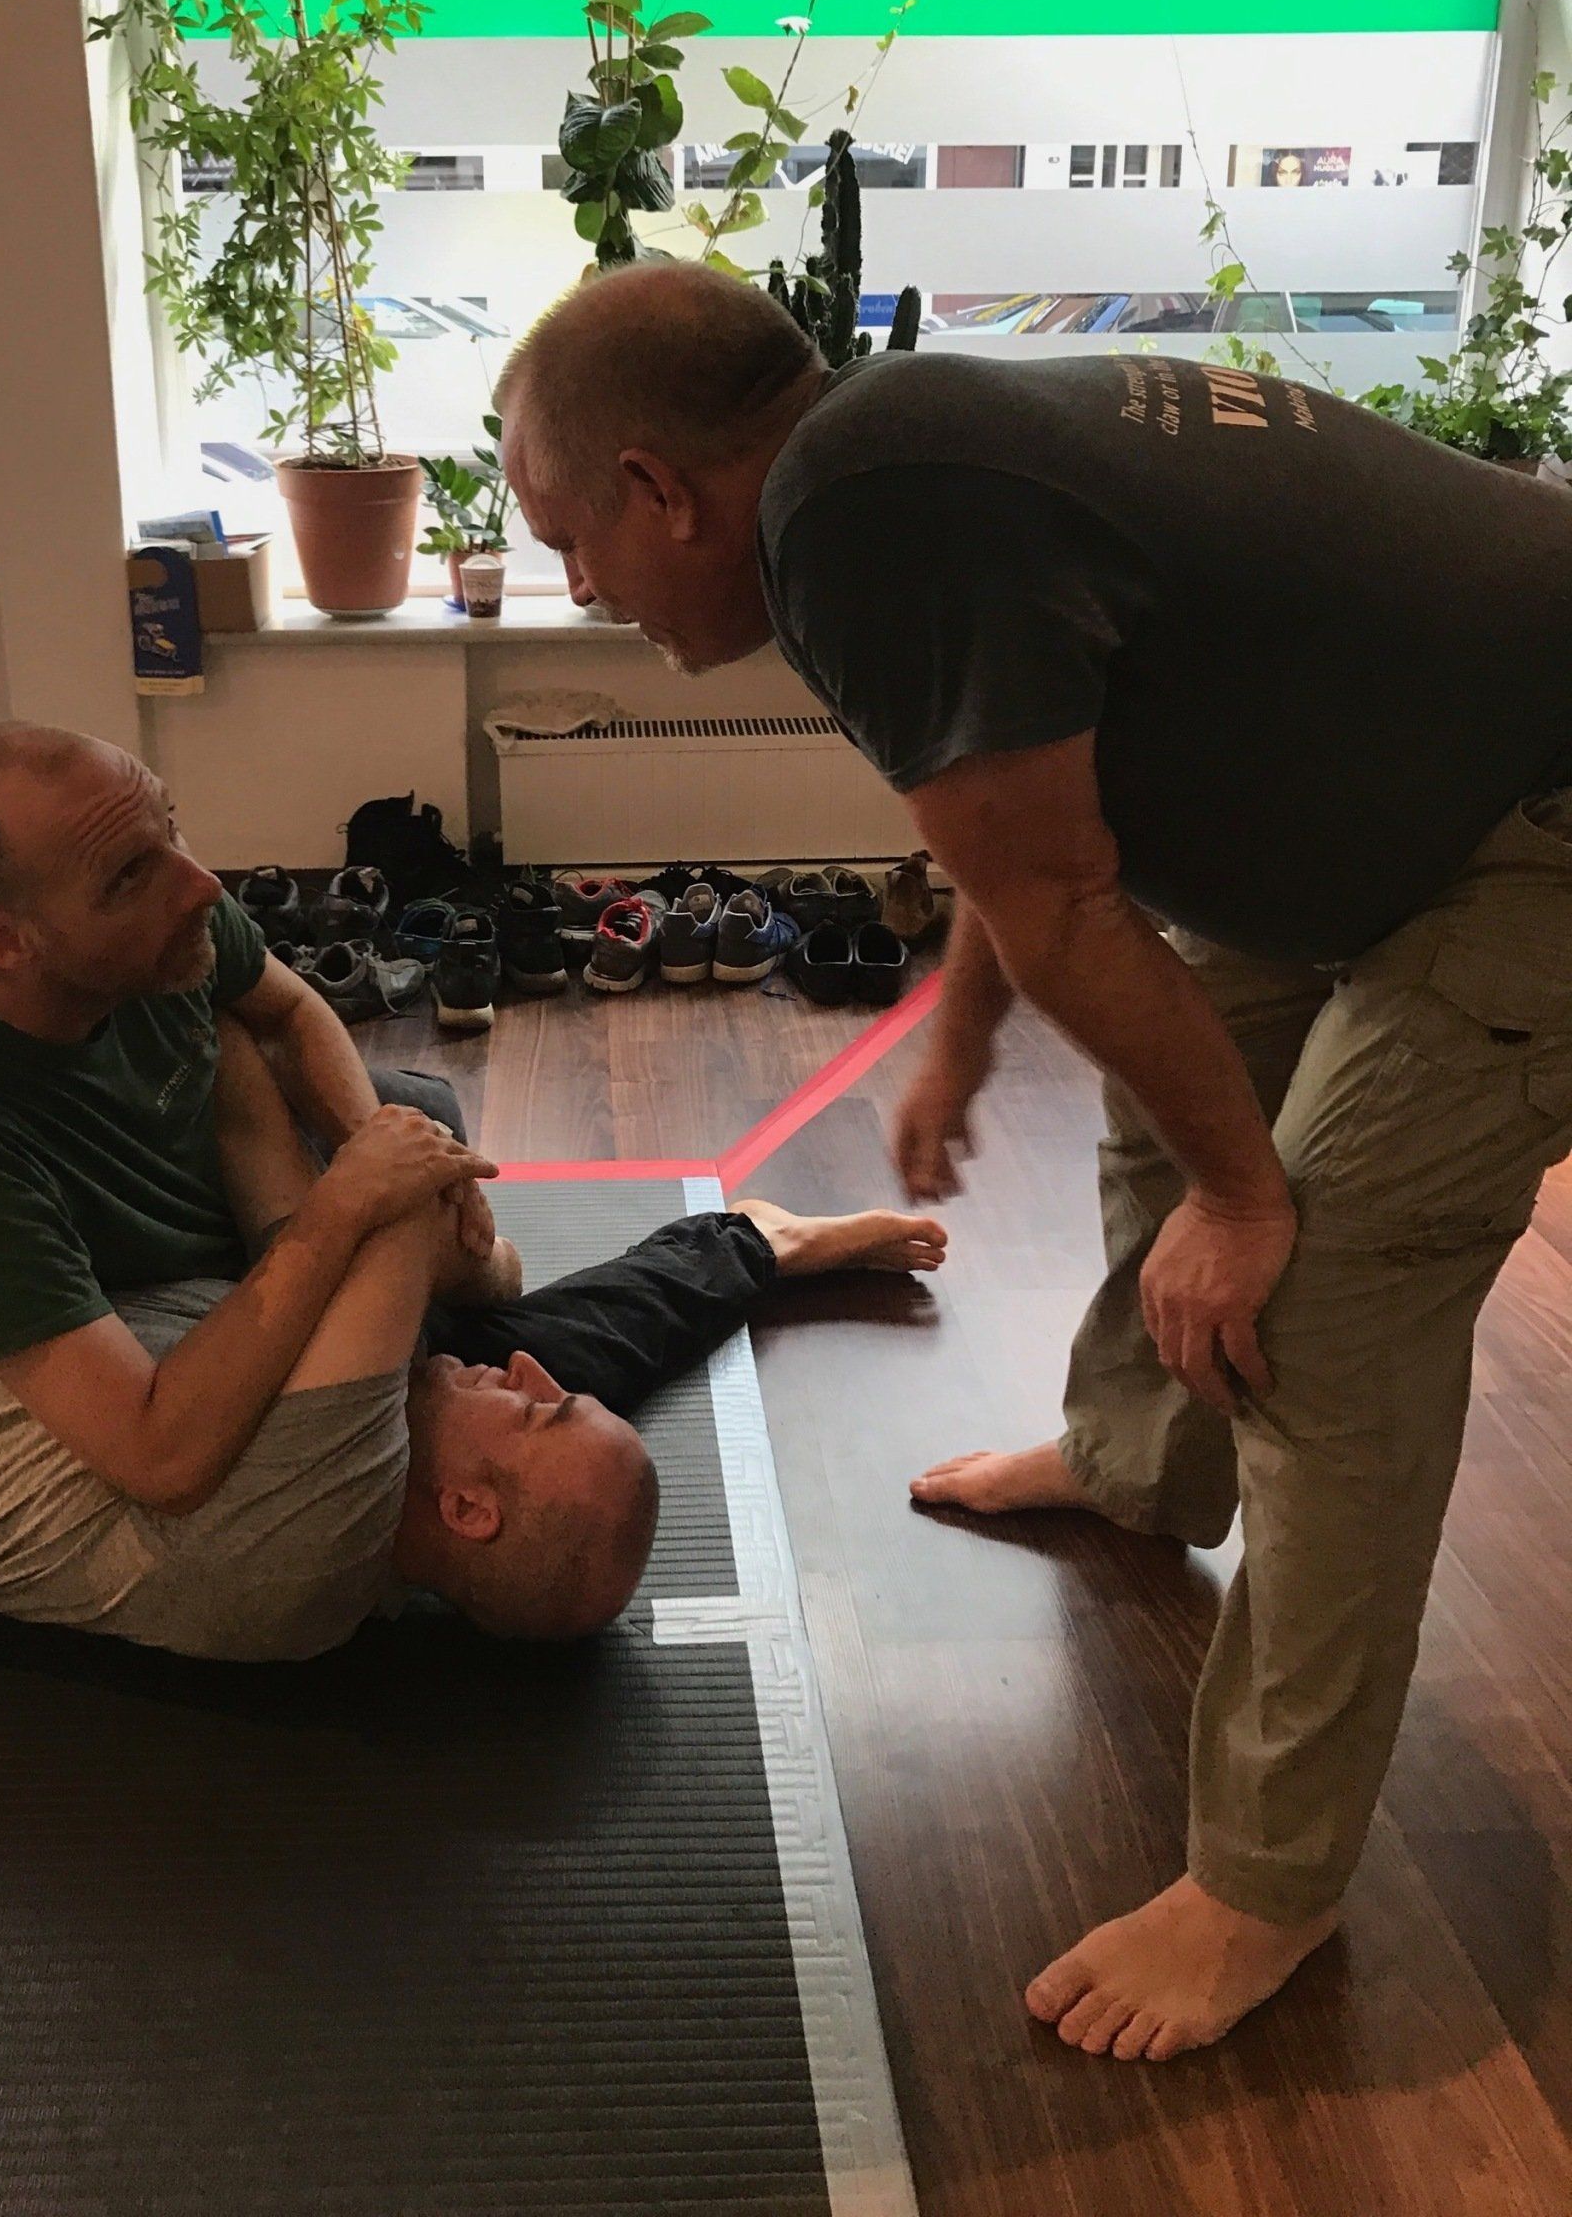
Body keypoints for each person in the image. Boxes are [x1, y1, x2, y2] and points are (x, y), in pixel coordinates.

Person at [494, 256, 1572, 2060]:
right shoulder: (884, 457)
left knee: (1324, 1287)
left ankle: (1268, 1886)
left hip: (1533, 826)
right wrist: (975, 1033)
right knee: (1169, 1082)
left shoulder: (864, 520)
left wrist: (1250, 1201)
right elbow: (1026, 821)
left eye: (568, 540)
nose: (577, 587)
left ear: (659, 488)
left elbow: (1061, 890)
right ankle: (1143, 1465)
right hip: (1419, 796)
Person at [0, 890, 944, 1657]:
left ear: (469, 1512)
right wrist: (746, 1250)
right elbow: (574, 1336)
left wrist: (472, 1255)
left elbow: (359, 1151)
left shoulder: (324, 1512)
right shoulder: (393, 1479)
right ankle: (754, 1238)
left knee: (412, 1143)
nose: (529, 1373)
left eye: (540, 1411)